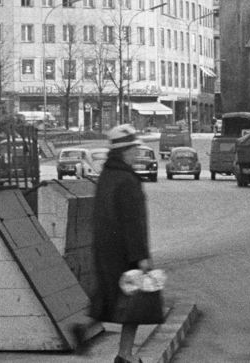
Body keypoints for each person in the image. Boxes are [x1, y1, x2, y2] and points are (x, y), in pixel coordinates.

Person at [92, 123, 153, 363]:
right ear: (122, 151)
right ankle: (124, 355)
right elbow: (133, 221)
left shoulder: (106, 176)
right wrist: (141, 256)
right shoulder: (128, 180)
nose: (136, 153)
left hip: (106, 251)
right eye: (132, 149)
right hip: (127, 253)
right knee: (134, 305)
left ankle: (124, 354)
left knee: (109, 302)